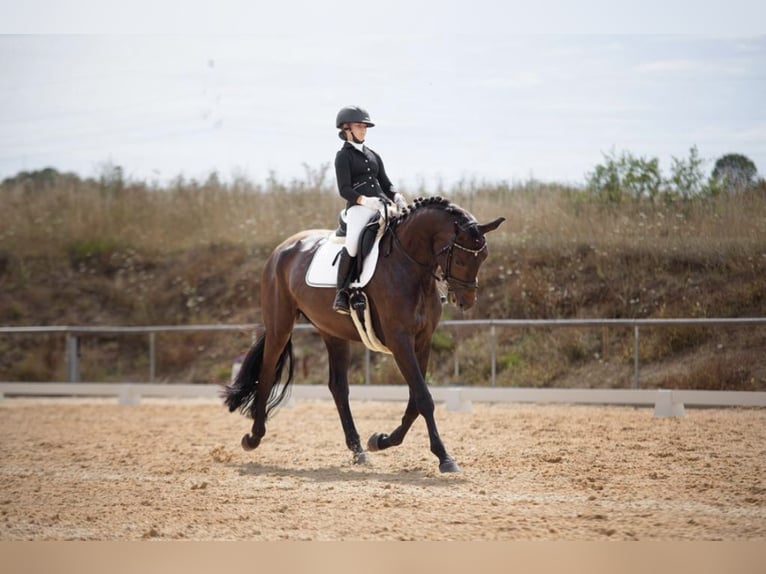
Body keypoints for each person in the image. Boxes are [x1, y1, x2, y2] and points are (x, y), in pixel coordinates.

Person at [332, 105, 407, 314]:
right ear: (346, 129)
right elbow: (344, 189)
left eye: (365, 127)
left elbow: (385, 182)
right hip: (359, 208)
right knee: (354, 245)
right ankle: (343, 292)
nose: (363, 130)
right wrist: (364, 201)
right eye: (359, 126)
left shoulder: (373, 155)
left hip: (383, 206)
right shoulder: (343, 157)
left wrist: (397, 196)